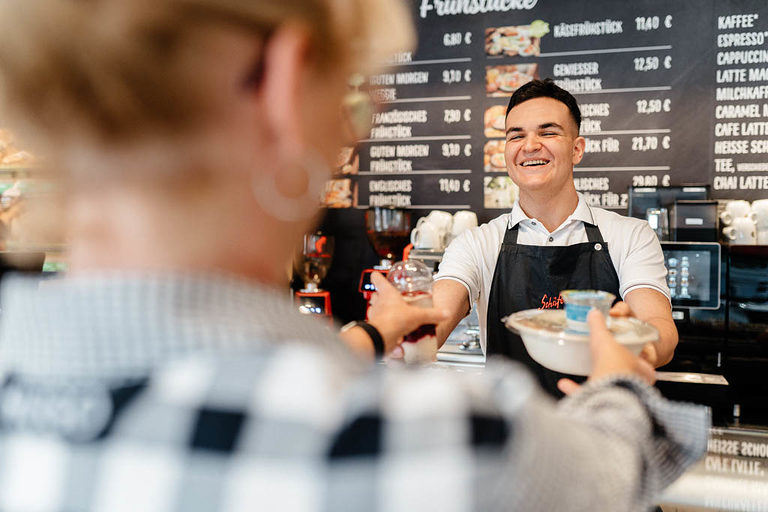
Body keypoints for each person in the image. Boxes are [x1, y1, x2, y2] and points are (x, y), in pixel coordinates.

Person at [0, 1, 707, 511]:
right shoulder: (434, 442)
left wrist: (386, 328)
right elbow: (608, 474)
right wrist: (620, 385)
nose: (347, 137)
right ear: (284, 85)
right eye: (351, 101)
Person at [435, 79, 677, 397]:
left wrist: (638, 349)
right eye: (515, 135)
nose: (530, 145)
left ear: (577, 149)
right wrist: (397, 333)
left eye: (548, 132)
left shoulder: (630, 235)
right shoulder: (476, 244)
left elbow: (659, 325)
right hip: (516, 433)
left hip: (604, 424)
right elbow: (434, 320)